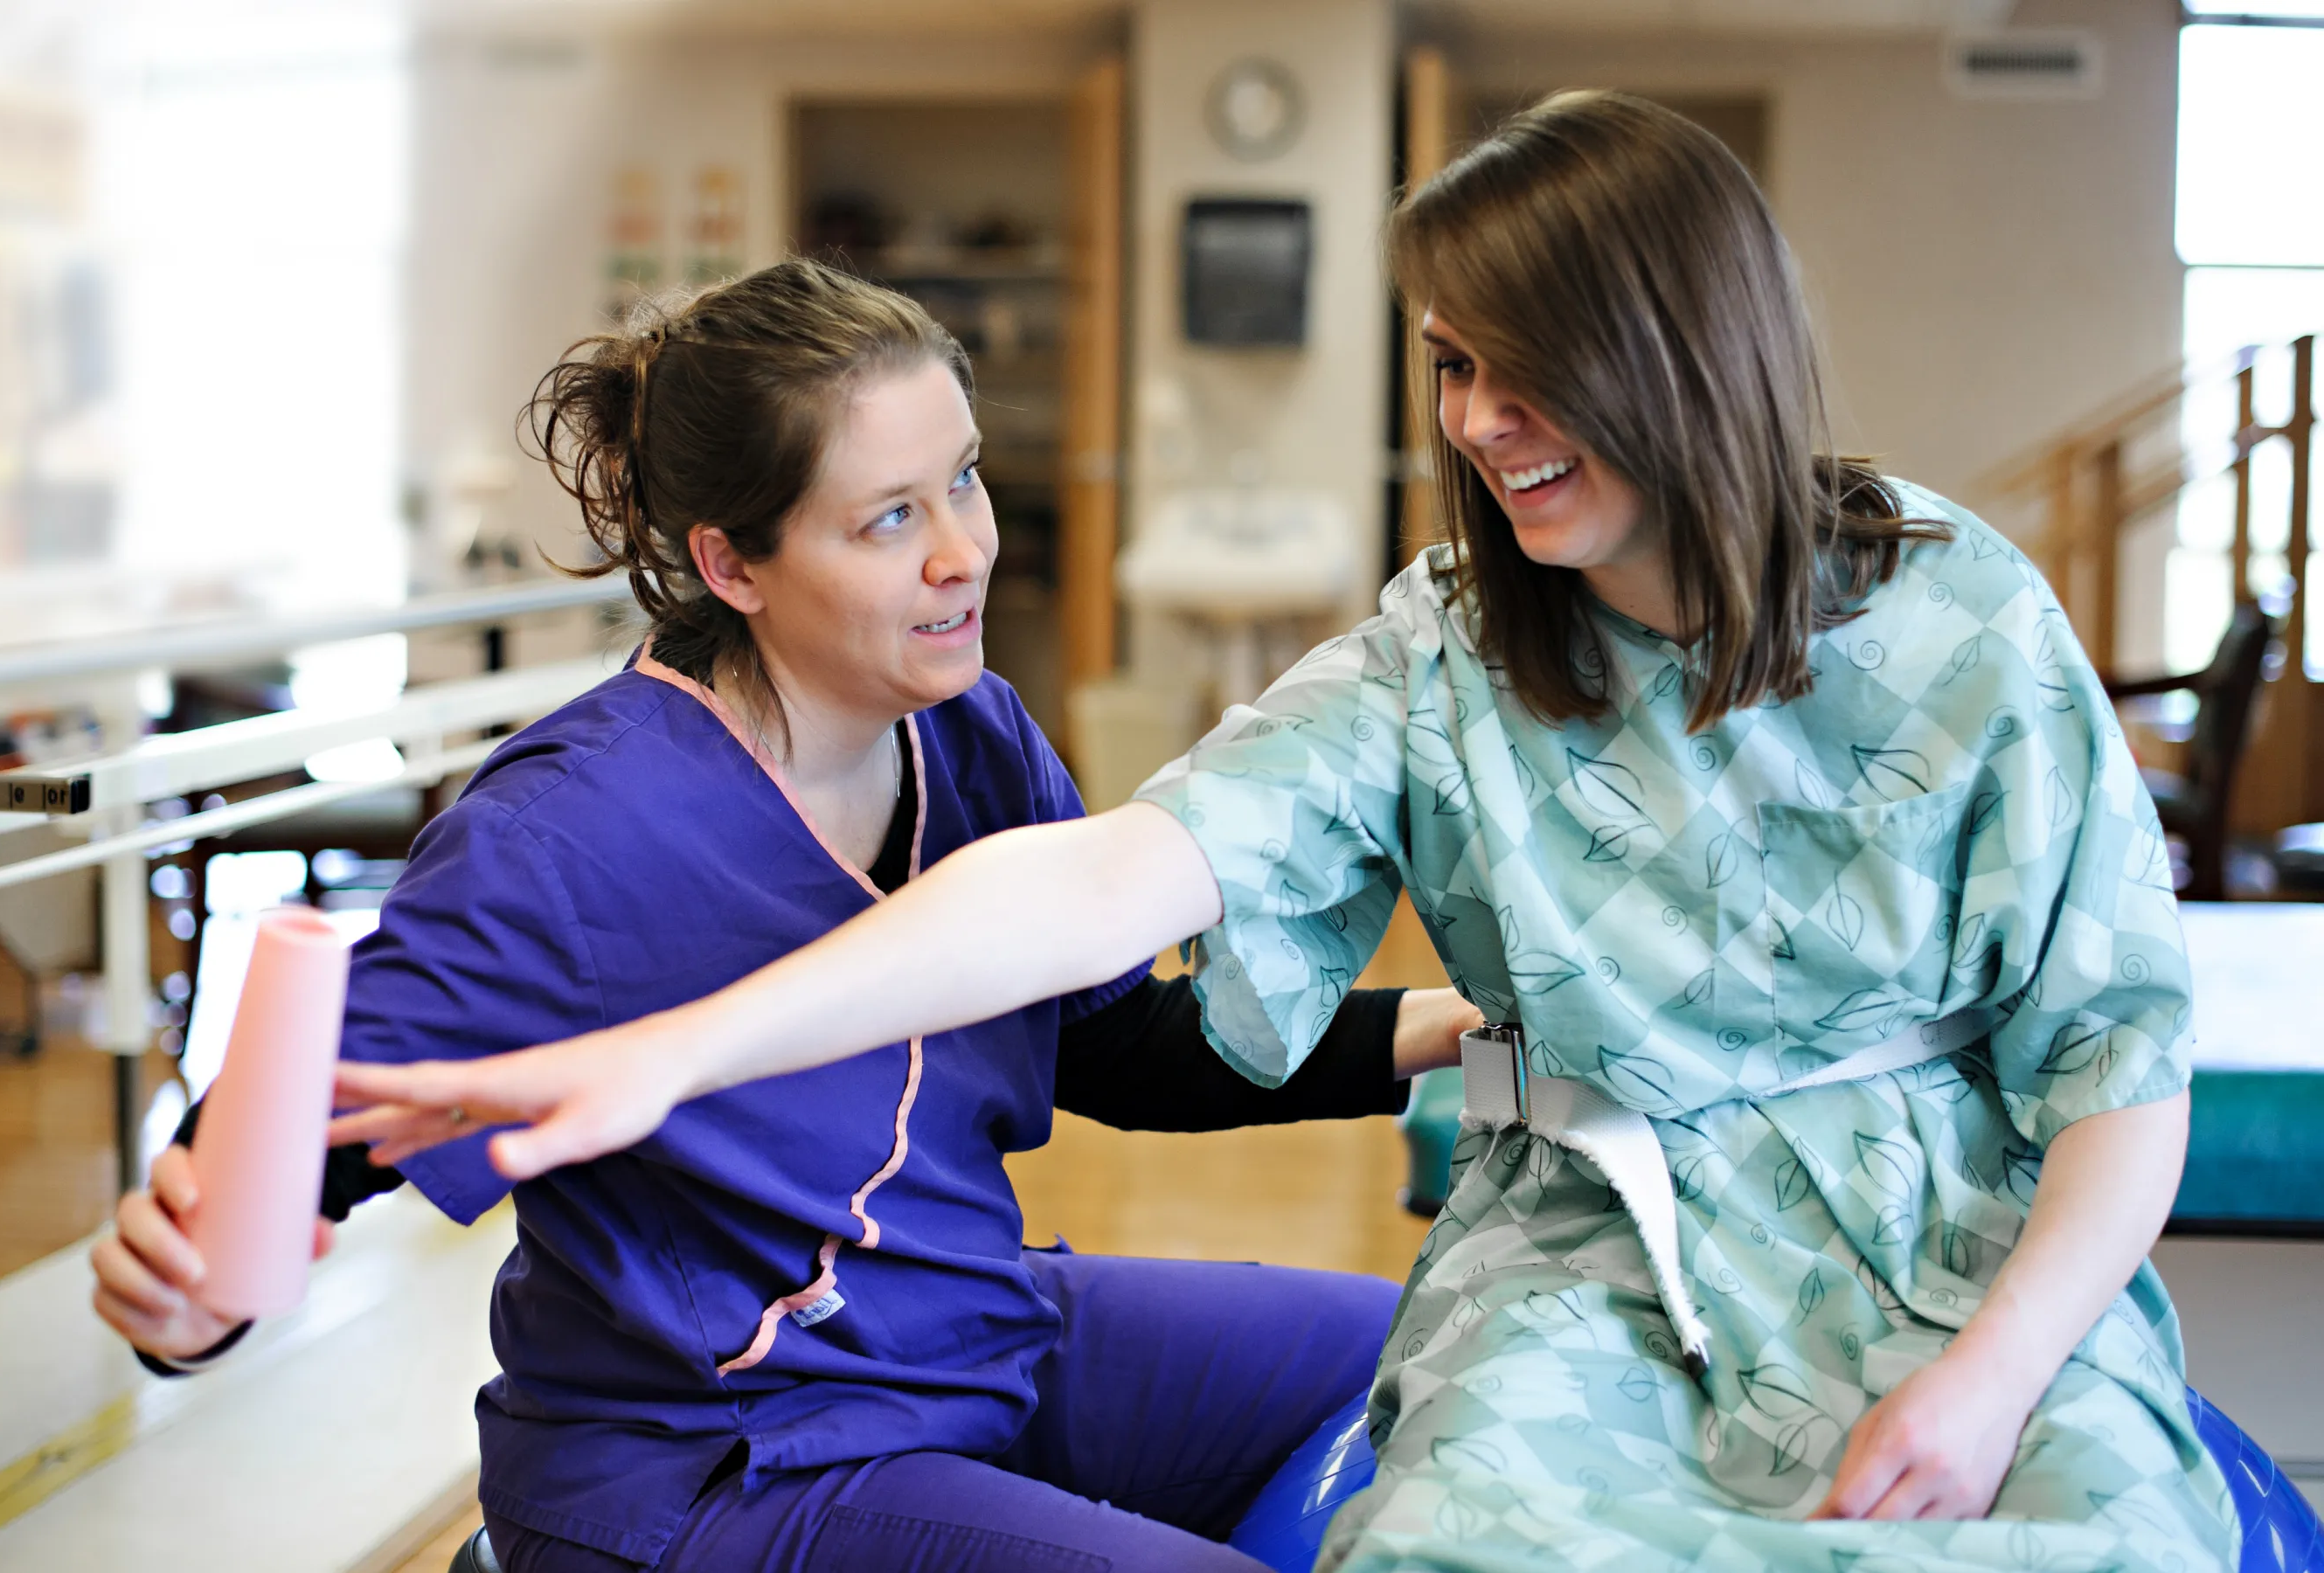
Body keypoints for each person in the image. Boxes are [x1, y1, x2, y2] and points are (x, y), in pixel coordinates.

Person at [331, 95, 2240, 1573]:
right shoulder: (1444, 648)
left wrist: (1992, 1375)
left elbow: (2112, 1058)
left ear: (1677, 345)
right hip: (786, 1444)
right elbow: (1101, 893)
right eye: (1447, 365)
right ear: (734, 564)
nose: (1478, 421)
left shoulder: (1956, 610)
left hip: (1932, 1243)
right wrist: (676, 1051)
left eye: (965, 485)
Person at [89, 259, 1485, 1573]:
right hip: (715, 1466)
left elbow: (1109, 1043)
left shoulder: (974, 736)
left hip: (959, 1330)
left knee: (1459, 1349)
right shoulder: (574, 836)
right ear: (733, 565)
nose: (965, 554)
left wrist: (1453, 1030)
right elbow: (300, 1128)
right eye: (890, 519)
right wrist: (191, 1300)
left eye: (966, 483)